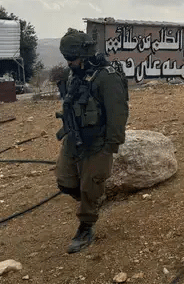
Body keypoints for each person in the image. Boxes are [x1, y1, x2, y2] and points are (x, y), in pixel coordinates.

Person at [55, 28, 129, 254]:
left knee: (90, 186)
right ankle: (93, 198)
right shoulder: (76, 74)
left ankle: (86, 226)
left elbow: (118, 114)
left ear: (84, 55)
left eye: (72, 58)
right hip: (74, 139)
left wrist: (110, 147)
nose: (69, 63)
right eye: (67, 58)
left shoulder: (107, 77)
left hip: (97, 144)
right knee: (65, 182)